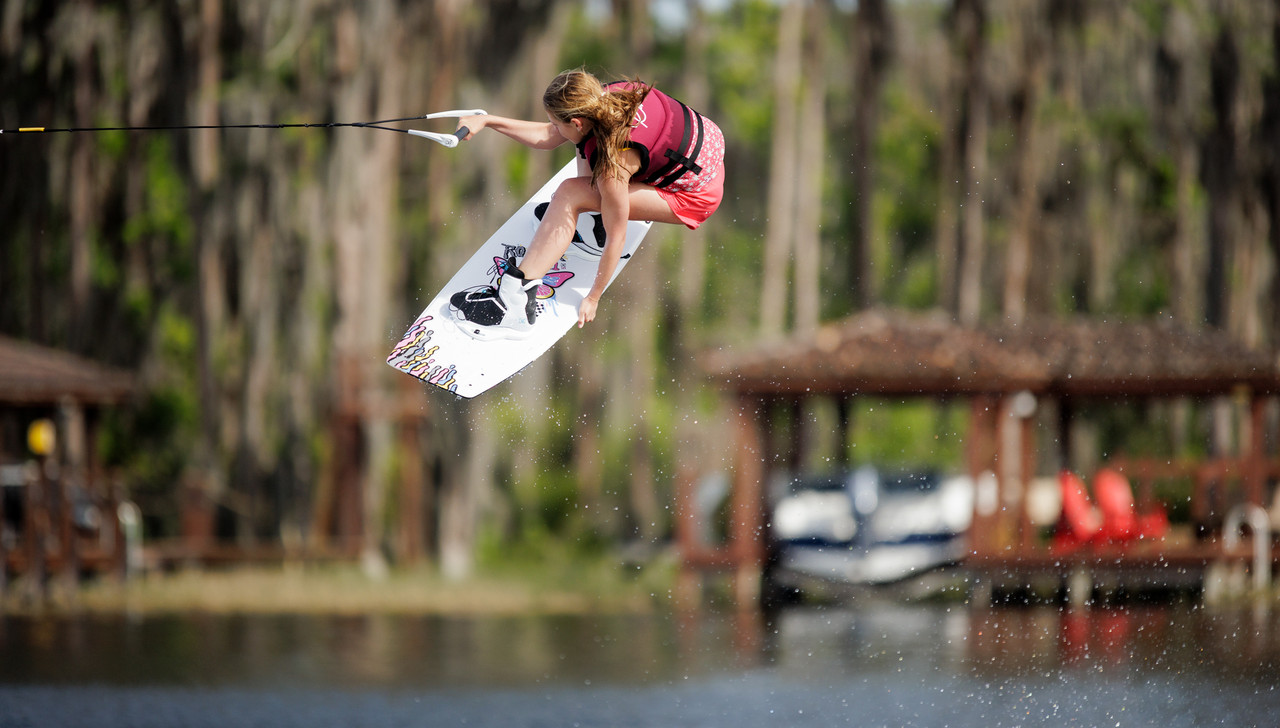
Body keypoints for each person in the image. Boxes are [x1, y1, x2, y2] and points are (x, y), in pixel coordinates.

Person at [449, 68, 725, 339]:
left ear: (577, 121)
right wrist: (486, 121)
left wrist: (593, 296)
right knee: (583, 145)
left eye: (558, 124)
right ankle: (590, 222)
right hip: (704, 147)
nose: (554, 129)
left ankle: (515, 305)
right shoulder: (601, 98)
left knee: (571, 192)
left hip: (695, 195)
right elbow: (547, 136)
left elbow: (617, 237)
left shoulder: (612, 165)